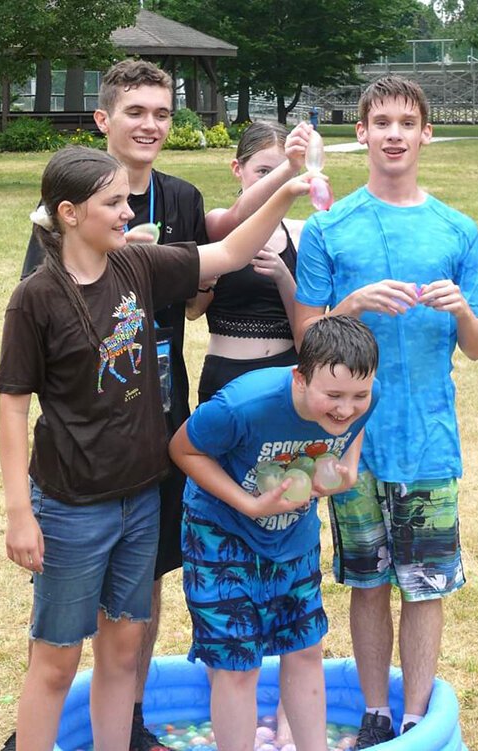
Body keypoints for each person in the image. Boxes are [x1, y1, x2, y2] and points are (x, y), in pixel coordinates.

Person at [0, 145, 312, 751]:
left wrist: (285, 192)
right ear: (68, 212)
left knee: (121, 651)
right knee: (58, 662)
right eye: (112, 203)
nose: (126, 213)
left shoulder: (137, 267)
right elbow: (12, 405)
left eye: (125, 200)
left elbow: (230, 252)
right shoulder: (35, 297)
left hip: (141, 498)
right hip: (71, 506)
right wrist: (19, 513)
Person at [16, 59, 209, 751]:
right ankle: (38, 730)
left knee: (144, 582)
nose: (150, 124)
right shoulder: (66, 200)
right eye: (135, 111)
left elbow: (199, 287)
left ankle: (124, 724)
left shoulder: (181, 197)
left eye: (162, 112)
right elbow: (39, 333)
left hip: (155, 422)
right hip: (83, 443)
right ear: (103, 120)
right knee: (63, 625)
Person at [294, 75, 478, 748]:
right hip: (353, 443)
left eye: (408, 122)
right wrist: (350, 307)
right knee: (368, 579)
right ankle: (376, 710)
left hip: (429, 439)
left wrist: (463, 309)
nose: (395, 133)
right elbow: (308, 335)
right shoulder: (329, 228)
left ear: (426, 133)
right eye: (382, 122)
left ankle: (415, 716)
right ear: (363, 133)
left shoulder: (457, 230)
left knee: (426, 585)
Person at [169, 315, 381, 751]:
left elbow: (355, 427)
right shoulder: (244, 405)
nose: (346, 408)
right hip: (220, 532)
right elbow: (182, 448)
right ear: (300, 378)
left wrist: (348, 469)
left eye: (358, 395)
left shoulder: (366, 400)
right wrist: (249, 504)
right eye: (334, 395)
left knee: (305, 650)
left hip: (293, 536)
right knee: (237, 665)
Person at [186, 120, 312, 405]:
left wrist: (283, 276)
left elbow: (307, 330)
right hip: (228, 376)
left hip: (287, 375)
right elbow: (193, 311)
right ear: (237, 169)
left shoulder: (301, 234)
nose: (274, 182)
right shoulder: (218, 225)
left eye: (281, 173)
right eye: (264, 172)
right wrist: (289, 169)